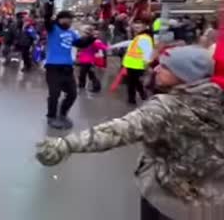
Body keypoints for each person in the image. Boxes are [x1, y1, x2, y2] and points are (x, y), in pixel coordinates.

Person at [36, 46, 223, 220]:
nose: (156, 69)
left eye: (165, 67)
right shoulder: (218, 99)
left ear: (185, 75)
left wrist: (66, 144)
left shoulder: (166, 108)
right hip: (211, 204)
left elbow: (117, 131)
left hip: (168, 200)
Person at [43, 0, 95, 130]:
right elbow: (47, 16)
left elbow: (80, 44)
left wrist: (91, 38)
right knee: (54, 94)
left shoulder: (72, 33)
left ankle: (63, 113)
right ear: (60, 19)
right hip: (53, 67)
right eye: (67, 18)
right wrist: (50, 1)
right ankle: (51, 117)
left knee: (72, 94)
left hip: (67, 68)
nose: (69, 21)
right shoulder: (53, 29)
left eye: (71, 19)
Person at [123, 18, 154, 105]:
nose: (136, 29)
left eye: (138, 28)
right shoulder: (139, 37)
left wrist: (147, 66)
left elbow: (147, 54)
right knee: (135, 82)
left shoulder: (144, 38)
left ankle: (132, 100)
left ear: (144, 27)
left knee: (132, 84)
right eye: (135, 28)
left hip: (137, 65)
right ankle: (142, 96)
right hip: (132, 64)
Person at [77, 26, 109, 93]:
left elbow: (103, 47)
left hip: (89, 61)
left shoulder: (95, 41)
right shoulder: (84, 39)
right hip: (84, 60)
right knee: (85, 74)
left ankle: (96, 87)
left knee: (89, 74)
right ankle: (82, 85)